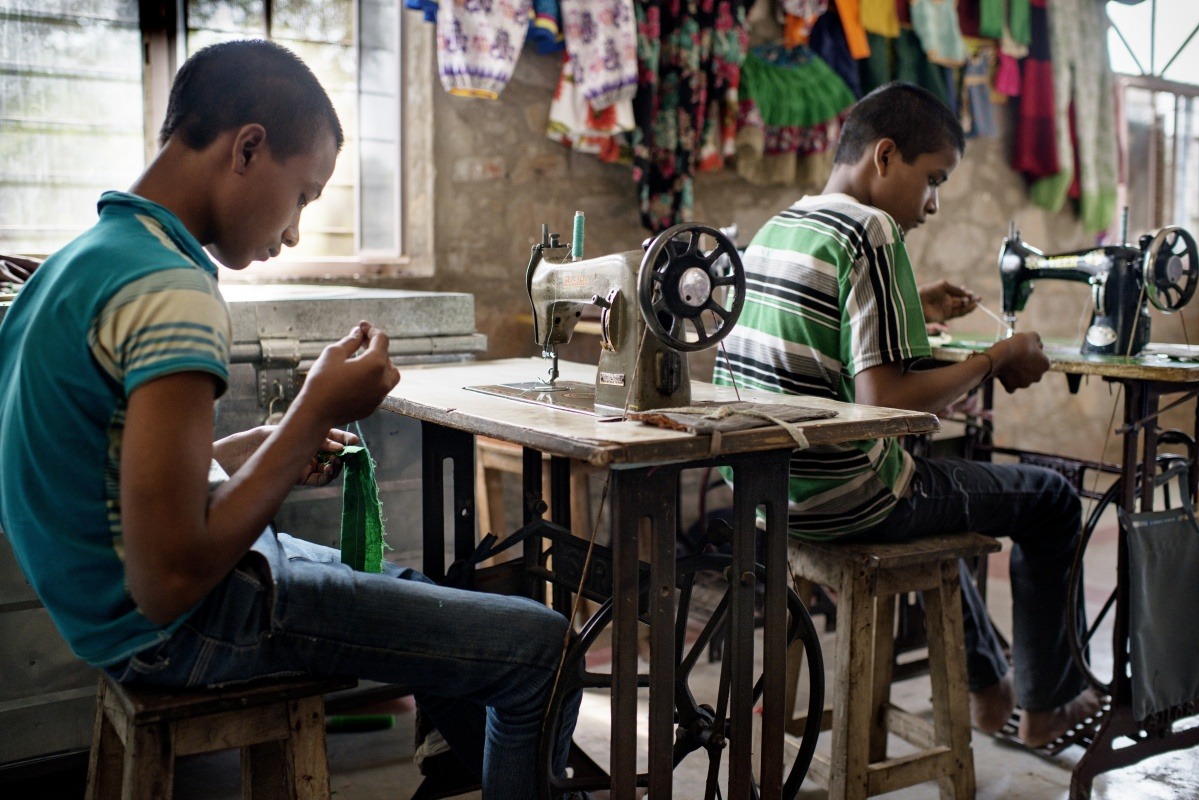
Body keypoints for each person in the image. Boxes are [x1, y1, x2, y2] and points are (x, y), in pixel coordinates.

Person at [0, 40, 578, 800]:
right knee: (545, 649)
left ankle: (477, 774)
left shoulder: (81, 264)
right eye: (304, 195)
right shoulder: (169, 291)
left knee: (419, 588)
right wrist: (311, 414)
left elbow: (115, 471)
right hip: (178, 630)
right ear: (247, 147)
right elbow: (170, 577)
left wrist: (267, 445)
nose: (298, 230)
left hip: (107, 617)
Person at [713, 81, 1102, 749]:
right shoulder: (873, 229)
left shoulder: (784, 226)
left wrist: (913, 303)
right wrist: (996, 358)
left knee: (930, 486)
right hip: (846, 499)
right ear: (885, 157)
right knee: (1052, 498)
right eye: (933, 179)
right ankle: (1049, 704)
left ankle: (986, 684)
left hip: (767, 495)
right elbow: (884, 401)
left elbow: (825, 336)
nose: (935, 203)